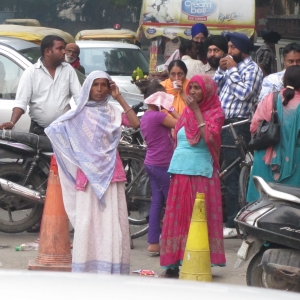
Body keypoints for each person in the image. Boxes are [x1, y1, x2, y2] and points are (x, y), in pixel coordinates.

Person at [45, 71, 140, 273]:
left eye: (103, 85)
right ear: (87, 88)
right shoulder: (77, 113)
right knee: (88, 223)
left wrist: (119, 97)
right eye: (95, 85)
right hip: (87, 175)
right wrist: (76, 154)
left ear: (109, 87)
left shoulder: (112, 111)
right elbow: (54, 130)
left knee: (111, 222)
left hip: (112, 174)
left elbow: (135, 123)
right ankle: (88, 268)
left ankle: (111, 266)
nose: (99, 89)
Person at [159, 74, 226, 278]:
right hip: (179, 171)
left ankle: (200, 258)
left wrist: (197, 112)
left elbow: (210, 139)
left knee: (198, 218)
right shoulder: (185, 112)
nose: (193, 92)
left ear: (208, 91)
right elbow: (178, 137)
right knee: (178, 218)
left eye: (198, 88)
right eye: (192, 88)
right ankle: (173, 262)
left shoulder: (216, 113)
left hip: (202, 173)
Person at [214, 32, 263, 238]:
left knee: (232, 173)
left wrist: (232, 71)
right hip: (220, 123)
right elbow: (213, 88)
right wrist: (221, 69)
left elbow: (245, 94)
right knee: (220, 172)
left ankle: (233, 222)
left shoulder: (252, 69)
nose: (228, 51)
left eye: (232, 48)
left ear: (243, 51)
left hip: (238, 125)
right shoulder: (227, 67)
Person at [0, 35, 81, 135]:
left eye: (64, 48)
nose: (64, 52)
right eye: (60, 48)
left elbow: (79, 97)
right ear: (47, 52)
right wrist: (12, 122)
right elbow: (21, 102)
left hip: (64, 130)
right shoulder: (31, 73)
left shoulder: (68, 69)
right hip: (39, 132)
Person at [247, 65, 300, 203]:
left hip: (266, 159)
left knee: (261, 206)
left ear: (284, 80)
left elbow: (254, 127)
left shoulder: (270, 98)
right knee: (291, 206)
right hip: (296, 161)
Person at [140, 81, 180, 256]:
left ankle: (153, 242)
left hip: (151, 163)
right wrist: (170, 109)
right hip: (162, 164)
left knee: (157, 202)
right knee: (172, 202)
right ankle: (169, 240)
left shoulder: (146, 116)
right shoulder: (158, 116)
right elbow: (181, 123)